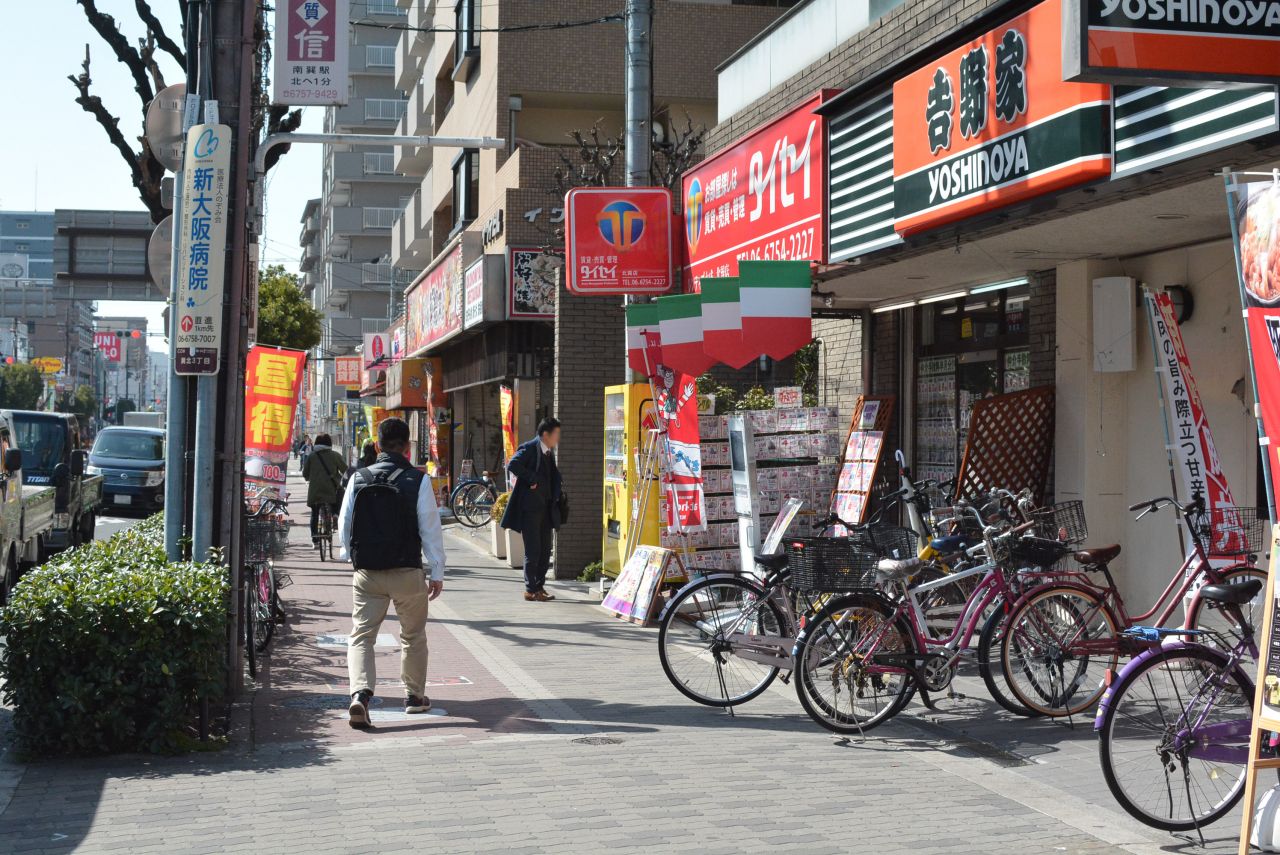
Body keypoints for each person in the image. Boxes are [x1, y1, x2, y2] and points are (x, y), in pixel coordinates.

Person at [337, 417, 445, 729]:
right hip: (408, 573)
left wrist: (351, 557)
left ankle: (360, 695)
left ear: (377, 445)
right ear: (408, 448)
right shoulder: (417, 480)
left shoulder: (358, 478)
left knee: (361, 636)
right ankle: (414, 697)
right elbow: (430, 529)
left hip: (368, 572)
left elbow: (345, 524)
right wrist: (436, 571)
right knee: (412, 635)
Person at [500, 417, 563, 602]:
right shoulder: (530, 448)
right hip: (530, 508)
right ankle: (530, 589)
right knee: (533, 550)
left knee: (545, 549)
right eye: (556, 434)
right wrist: (532, 479)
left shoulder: (548, 453)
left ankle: (539, 586)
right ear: (545, 434)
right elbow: (513, 464)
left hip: (545, 507)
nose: (558, 438)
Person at [302, 433, 347, 547]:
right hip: (331, 491)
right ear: (329, 443)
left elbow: (305, 473)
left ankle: (315, 541)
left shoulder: (312, 456)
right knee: (341, 492)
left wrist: (310, 478)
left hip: (315, 492)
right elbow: (345, 470)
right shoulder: (335, 455)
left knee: (315, 514)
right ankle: (336, 514)